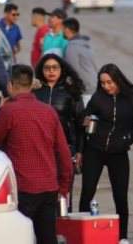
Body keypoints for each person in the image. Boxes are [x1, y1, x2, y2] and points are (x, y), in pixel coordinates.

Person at [0, 64, 72, 244]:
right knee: (47, 238)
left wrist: (0, 110)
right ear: (31, 85)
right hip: (49, 187)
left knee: (19, 238)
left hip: (23, 189)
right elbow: (64, 153)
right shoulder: (49, 112)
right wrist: (63, 188)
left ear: (10, 85)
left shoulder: (9, 111)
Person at [78, 63, 133, 244]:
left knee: (120, 195)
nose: (106, 86)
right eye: (102, 83)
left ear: (118, 79)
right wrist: (84, 121)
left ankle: (123, 237)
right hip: (94, 149)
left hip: (119, 152)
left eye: (109, 82)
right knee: (87, 191)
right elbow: (83, 119)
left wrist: (129, 138)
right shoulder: (97, 98)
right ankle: (81, 234)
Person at [33, 53, 85, 211]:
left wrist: (80, 151)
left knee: (64, 193)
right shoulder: (35, 94)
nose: (51, 71)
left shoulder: (71, 94)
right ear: (41, 70)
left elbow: (80, 125)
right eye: (47, 68)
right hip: (40, 150)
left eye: (55, 67)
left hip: (65, 149)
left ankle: (64, 230)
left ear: (61, 70)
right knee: (42, 192)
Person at [63, 17, 98, 94]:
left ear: (67, 30)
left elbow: (72, 69)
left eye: (63, 29)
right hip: (94, 83)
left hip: (85, 88)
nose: (62, 32)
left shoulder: (72, 46)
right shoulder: (87, 43)